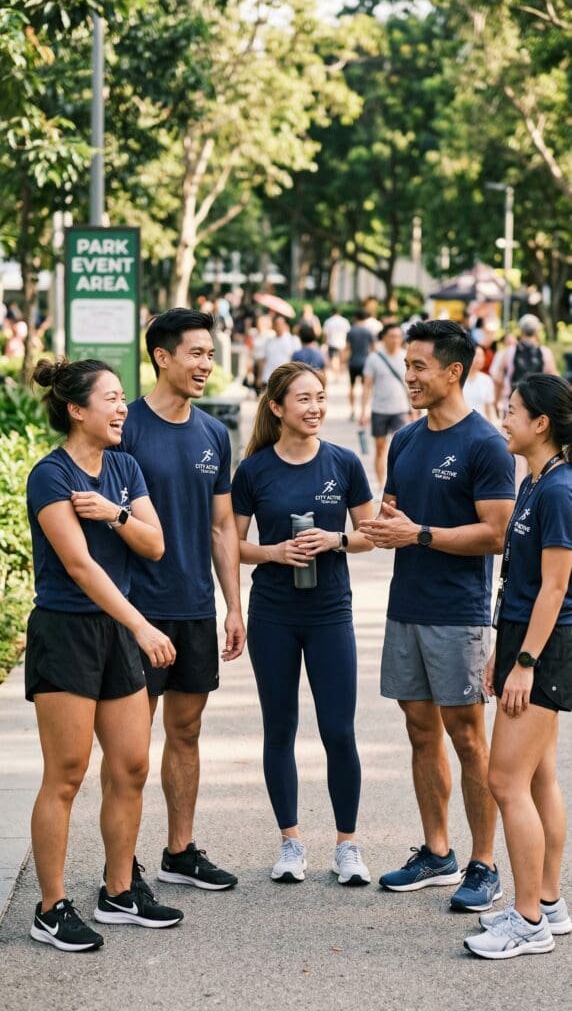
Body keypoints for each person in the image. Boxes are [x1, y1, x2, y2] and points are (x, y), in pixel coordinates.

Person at [25, 358, 183, 953]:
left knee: (131, 766)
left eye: (122, 398)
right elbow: (79, 566)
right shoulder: (50, 475)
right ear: (76, 410)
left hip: (116, 629)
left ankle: (119, 892)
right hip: (67, 631)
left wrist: (113, 512)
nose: (122, 408)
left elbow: (155, 543)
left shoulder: (123, 467)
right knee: (66, 774)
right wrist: (142, 626)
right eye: (111, 398)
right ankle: (50, 908)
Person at [359, 320, 515, 912]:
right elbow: (393, 514)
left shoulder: (485, 444)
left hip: (458, 611)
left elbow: (496, 534)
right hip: (406, 605)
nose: (409, 376)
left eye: (419, 366)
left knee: (467, 737)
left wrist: (419, 533)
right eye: (407, 364)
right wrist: (380, 528)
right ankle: (437, 852)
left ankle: (484, 863)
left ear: (454, 371)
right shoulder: (404, 440)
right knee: (420, 730)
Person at [101, 308, 246, 894]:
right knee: (130, 748)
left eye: (210, 354)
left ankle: (179, 852)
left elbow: (221, 526)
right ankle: (121, 867)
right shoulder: (126, 428)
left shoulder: (214, 434)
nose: (206, 364)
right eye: (196, 353)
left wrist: (233, 605)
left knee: (186, 732)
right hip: (138, 611)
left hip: (194, 607)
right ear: (162, 357)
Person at [231, 362, 375, 886]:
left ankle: (347, 846)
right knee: (280, 728)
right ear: (277, 408)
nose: (315, 408)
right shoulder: (253, 471)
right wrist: (273, 552)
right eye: (303, 399)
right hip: (272, 614)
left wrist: (336, 540)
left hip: (330, 612)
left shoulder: (343, 462)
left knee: (339, 730)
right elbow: (230, 544)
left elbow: (371, 533)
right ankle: (290, 842)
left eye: (320, 397)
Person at [464, 373, 572, 959]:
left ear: (541, 423)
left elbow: (555, 588)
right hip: (521, 640)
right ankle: (548, 903)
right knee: (537, 777)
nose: (502, 419)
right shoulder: (534, 480)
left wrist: (524, 663)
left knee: (505, 781)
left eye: (511, 411)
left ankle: (528, 920)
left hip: (543, 648)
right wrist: (501, 652)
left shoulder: (559, 490)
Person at [359, 323, 410, 491]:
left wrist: (415, 409)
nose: (395, 340)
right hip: (379, 409)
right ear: (384, 338)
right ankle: (382, 485)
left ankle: (398, 485)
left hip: (401, 409)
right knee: (380, 449)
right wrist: (363, 411)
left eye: (398, 336)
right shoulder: (374, 358)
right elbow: (367, 386)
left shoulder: (406, 356)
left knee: (401, 449)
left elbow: (412, 383)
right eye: (392, 336)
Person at [492, 314, 557, 413]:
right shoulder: (545, 353)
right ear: (537, 331)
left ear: (521, 330)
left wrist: (496, 402)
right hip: (536, 408)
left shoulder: (510, 351)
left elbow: (498, 380)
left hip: (512, 406)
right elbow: (553, 381)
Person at [346, 310, 373, 420]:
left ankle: (352, 410)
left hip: (353, 361)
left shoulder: (351, 331)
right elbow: (374, 348)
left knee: (352, 386)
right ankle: (364, 411)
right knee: (365, 387)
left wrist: (344, 361)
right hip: (366, 362)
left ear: (355, 318)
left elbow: (347, 348)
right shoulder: (368, 331)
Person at [463, 344, 498, 423]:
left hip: (480, 425)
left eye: (482, 356)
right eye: (477, 355)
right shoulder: (459, 380)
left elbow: (489, 408)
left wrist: (494, 425)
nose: (480, 359)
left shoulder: (487, 380)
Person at [262, 314, 297, 386]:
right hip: (268, 377)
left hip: (285, 378)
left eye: (281, 324)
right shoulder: (269, 341)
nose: (278, 326)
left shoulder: (292, 340)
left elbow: (295, 360)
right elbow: (264, 360)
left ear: (285, 325)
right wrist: (260, 376)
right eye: (276, 324)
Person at [323, 307, 351, 378]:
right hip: (343, 343)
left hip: (332, 342)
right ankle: (341, 374)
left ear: (332, 313)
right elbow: (348, 333)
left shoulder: (328, 321)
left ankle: (336, 374)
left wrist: (325, 343)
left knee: (334, 359)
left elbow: (325, 334)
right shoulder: (345, 321)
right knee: (342, 360)